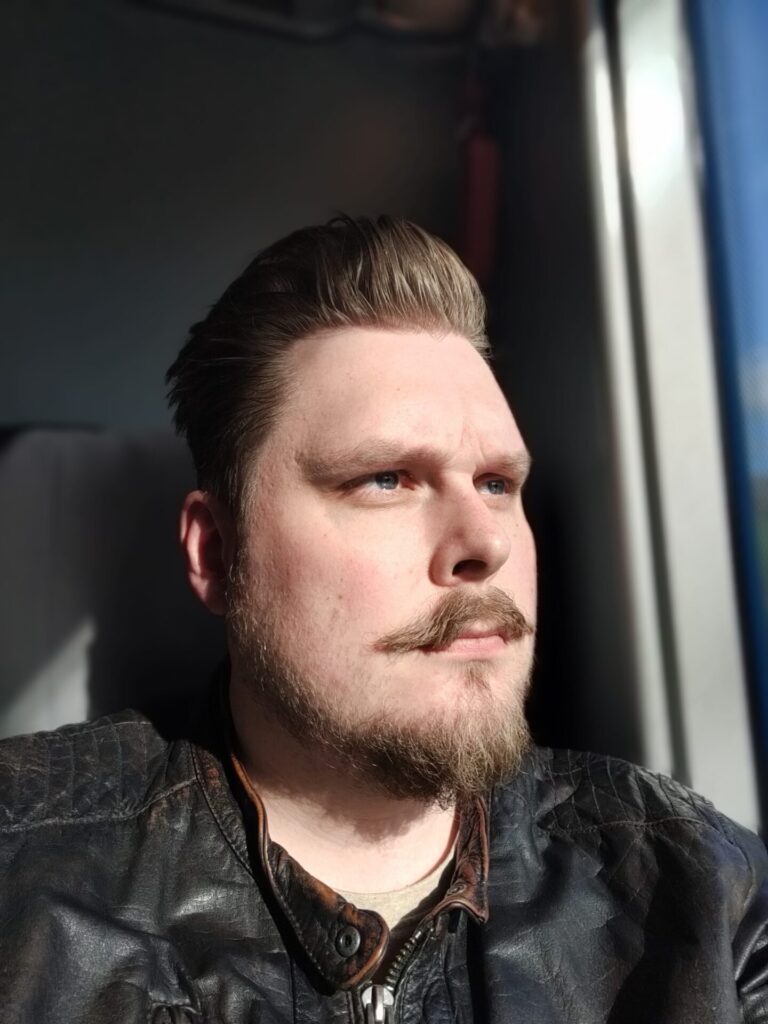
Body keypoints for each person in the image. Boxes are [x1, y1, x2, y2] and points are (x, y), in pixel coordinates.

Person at [0, 216, 766, 1023]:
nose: (486, 544)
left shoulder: (699, 893)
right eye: (387, 479)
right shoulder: (22, 884)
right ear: (219, 554)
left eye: (498, 484)